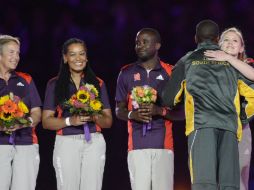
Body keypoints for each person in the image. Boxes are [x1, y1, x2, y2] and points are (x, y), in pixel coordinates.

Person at [162, 20, 254, 190]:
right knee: (230, 185)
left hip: (201, 125)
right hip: (229, 128)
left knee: (204, 184)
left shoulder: (187, 60)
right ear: (218, 38)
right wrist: (241, 116)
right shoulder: (232, 62)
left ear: (195, 38)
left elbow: (169, 99)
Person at [115, 28, 183, 190]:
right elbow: (119, 110)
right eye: (137, 42)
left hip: (164, 147)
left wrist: (160, 111)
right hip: (136, 147)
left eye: (145, 41)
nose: (140, 45)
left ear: (157, 45)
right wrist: (133, 114)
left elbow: (185, 112)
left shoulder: (171, 72)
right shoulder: (125, 73)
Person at [42, 38, 112, 190]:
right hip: (66, 142)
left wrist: (93, 115)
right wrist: (70, 121)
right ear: (65, 58)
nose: (78, 58)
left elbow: (108, 122)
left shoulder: (98, 83)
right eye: (73, 54)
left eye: (82, 54)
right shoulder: (54, 84)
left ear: (87, 57)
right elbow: (46, 122)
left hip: (94, 142)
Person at [204, 27, 252, 190]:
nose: (230, 43)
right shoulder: (208, 66)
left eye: (235, 40)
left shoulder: (248, 65)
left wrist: (228, 59)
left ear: (241, 48)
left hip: (240, 128)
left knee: (238, 178)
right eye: (226, 40)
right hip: (214, 127)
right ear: (218, 44)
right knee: (216, 178)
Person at [0, 35, 41, 190]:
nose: (16, 57)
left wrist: (23, 123)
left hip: (26, 143)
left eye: (18, 53)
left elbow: (37, 112)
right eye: (11, 52)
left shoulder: (26, 79)